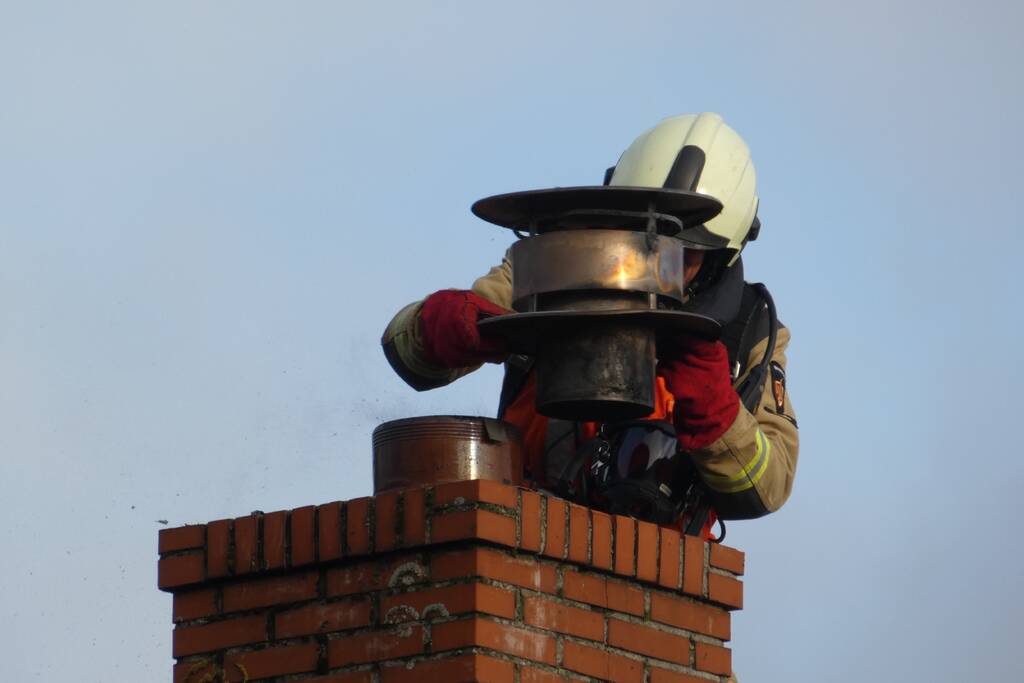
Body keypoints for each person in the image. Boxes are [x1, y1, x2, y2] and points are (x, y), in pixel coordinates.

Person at [382, 113, 798, 530]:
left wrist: (716, 412)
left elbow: (770, 486)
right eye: (644, 236)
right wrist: (443, 329)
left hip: (663, 560)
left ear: (720, 256)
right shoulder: (555, 263)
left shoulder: (750, 330)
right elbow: (405, 351)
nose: (658, 260)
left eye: (682, 253)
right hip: (523, 535)